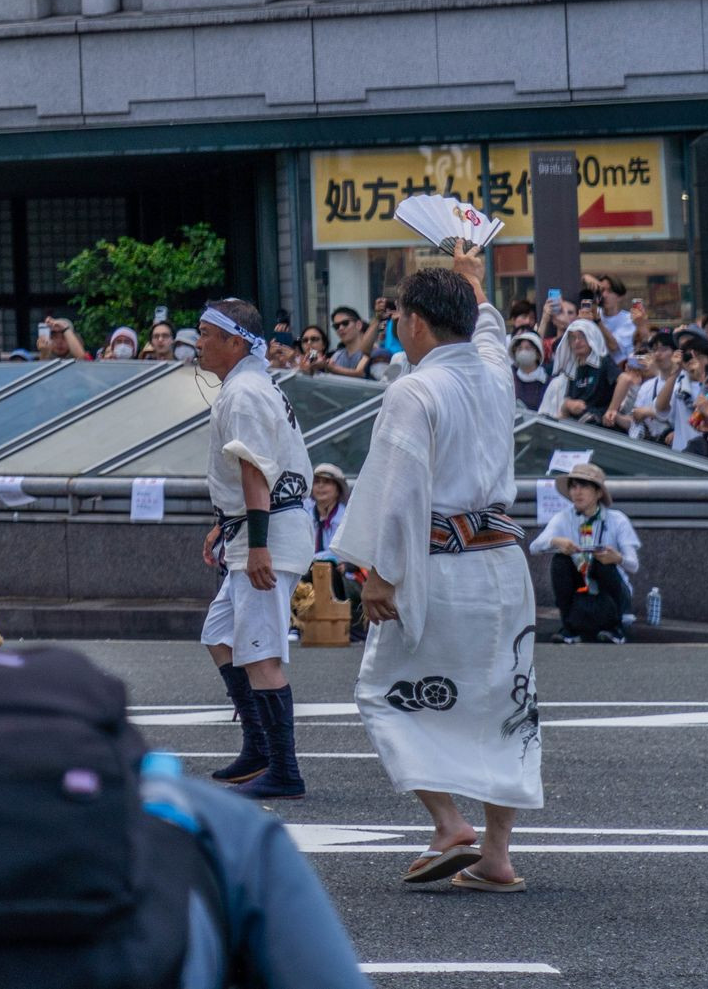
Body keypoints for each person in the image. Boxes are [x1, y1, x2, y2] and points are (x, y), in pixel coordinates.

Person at [329, 245, 542, 891]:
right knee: (504, 702)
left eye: (398, 316)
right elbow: (491, 332)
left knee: (383, 691)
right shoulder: (495, 373)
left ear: (414, 321)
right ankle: (496, 856)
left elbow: (397, 491)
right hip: (502, 564)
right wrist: (474, 280)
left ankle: (449, 822)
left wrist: (380, 574)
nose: (397, 325)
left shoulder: (414, 389)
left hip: (440, 565)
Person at [188, 294, 313, 800]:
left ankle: (284, 769)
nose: (197, 343)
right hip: (256, 526)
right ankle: (260, 748)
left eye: (205, 334)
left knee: (260, 653)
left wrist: (257, 545)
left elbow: (255, 469)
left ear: (234, 342)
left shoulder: (244, 392)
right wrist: (226, 523)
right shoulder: (250, 385)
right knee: (220, 635)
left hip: (269, 533)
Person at [537, 460, 639, 643]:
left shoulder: (617, 519)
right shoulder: (563, 518)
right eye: (573, 486)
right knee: (561, 560)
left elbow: (634, 565)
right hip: (580, 588)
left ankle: (616, 629)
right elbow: (535, 546)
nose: (577, 492)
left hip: (611, 592)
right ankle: (569, 629)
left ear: (598, 492)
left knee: (602, 563)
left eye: (584, 486)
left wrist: (617, 558)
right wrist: (556, 541)